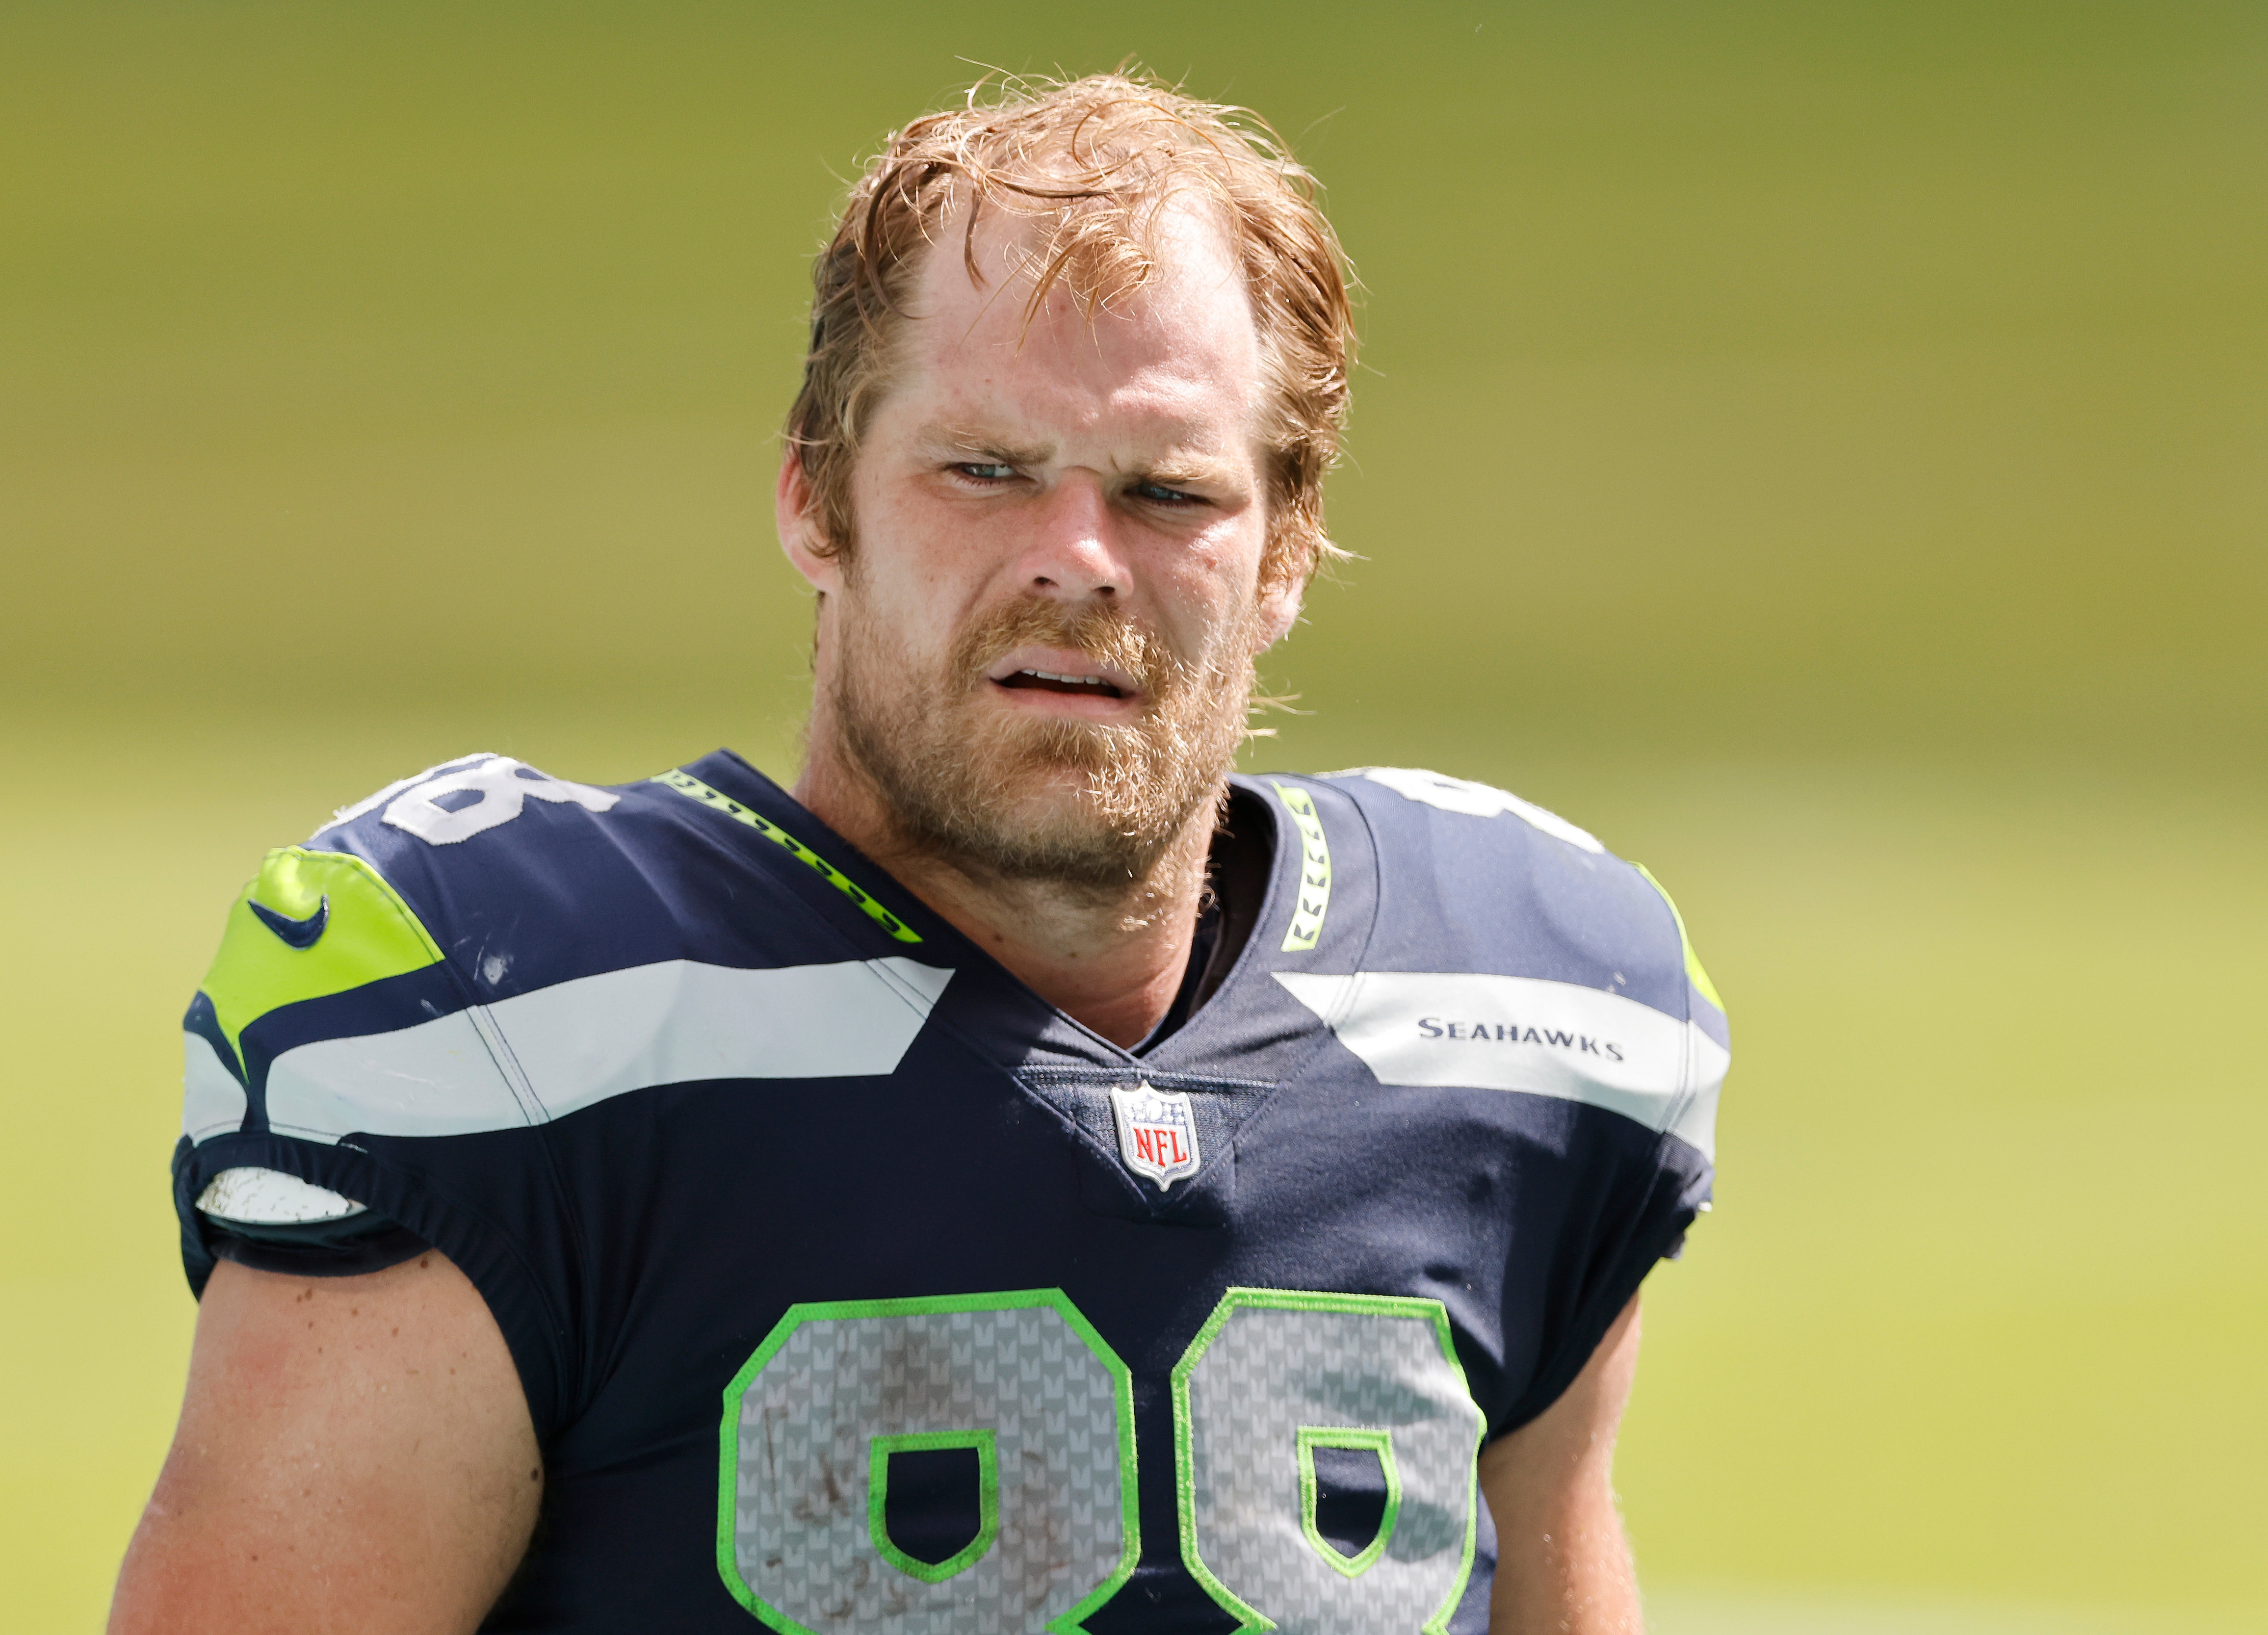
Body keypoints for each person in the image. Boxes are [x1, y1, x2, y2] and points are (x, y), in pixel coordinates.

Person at [110, 71, 1727, 1635]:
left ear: (1286, 548)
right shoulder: (521, 1027)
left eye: (1167, 492)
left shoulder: (1517, 1026)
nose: (1079, 561)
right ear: (818, 502)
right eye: (984, 471)